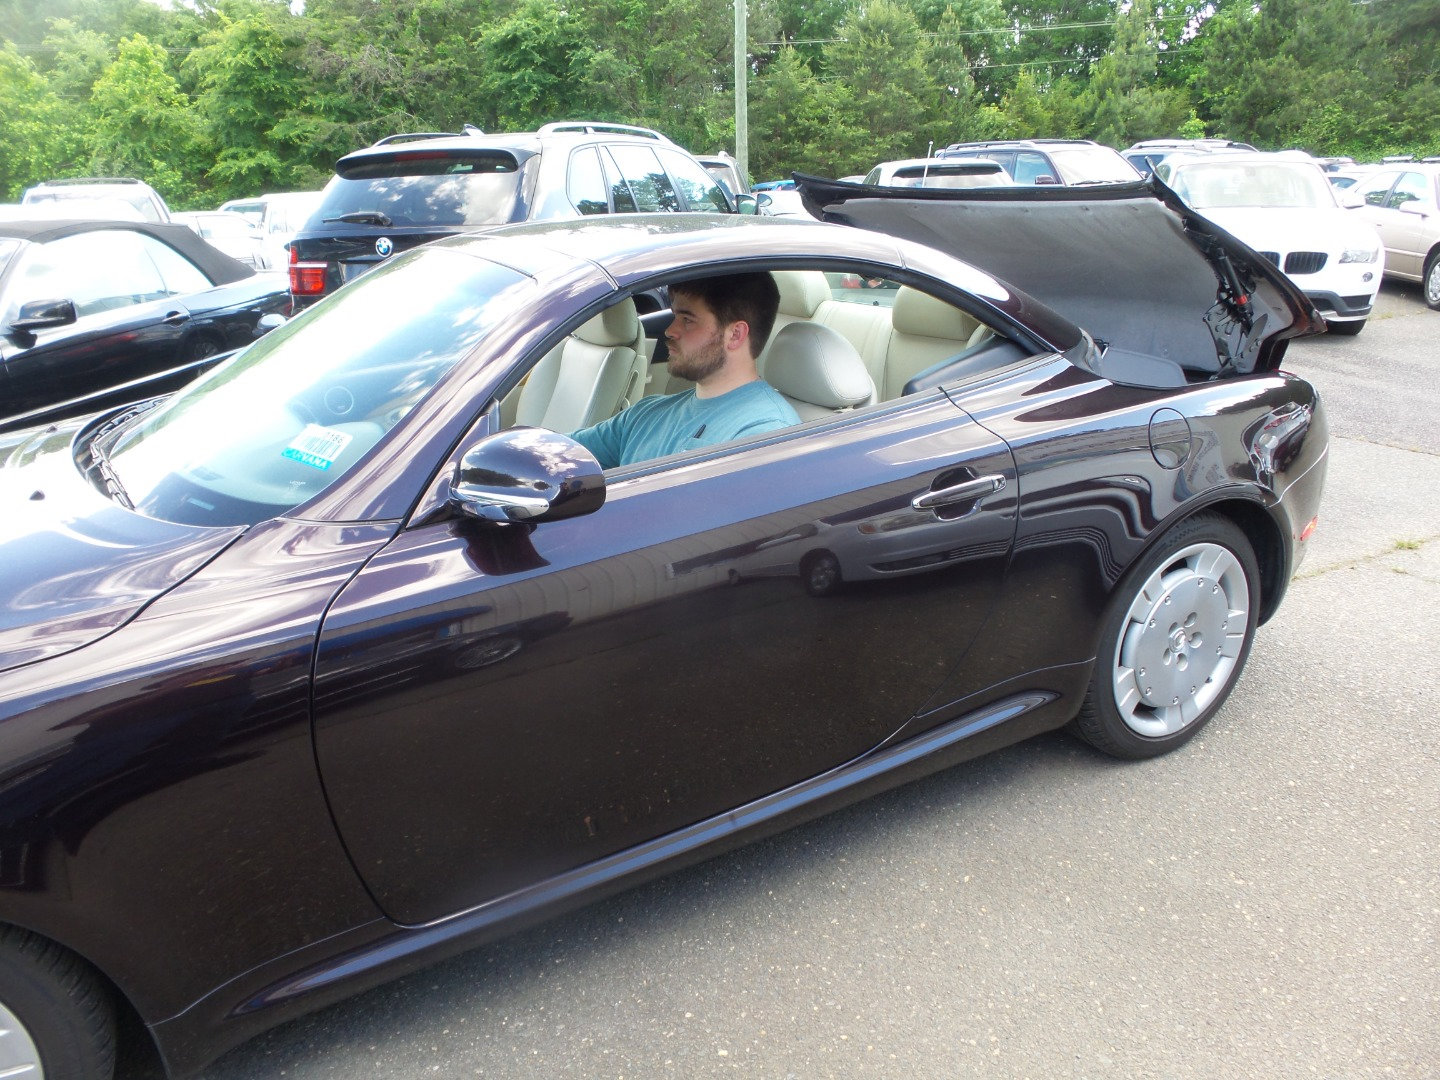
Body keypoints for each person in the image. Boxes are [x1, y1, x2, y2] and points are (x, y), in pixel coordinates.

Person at [570, 272, 799, 468]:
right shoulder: (647, 414)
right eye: (675, 316)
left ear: (735, 335)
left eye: (688, 320)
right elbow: (560, 455)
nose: (670, 330)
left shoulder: (765, 435)